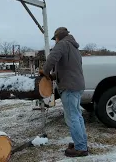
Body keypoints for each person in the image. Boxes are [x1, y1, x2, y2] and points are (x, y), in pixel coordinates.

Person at [39, 27, 88, 157]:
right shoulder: (74, 48)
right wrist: (54, 75)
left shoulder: (62, 44)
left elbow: (51, 59)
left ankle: (81, 148)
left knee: (72, 117)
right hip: (77, 86)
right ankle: (81, 142)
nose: (55, 42)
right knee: (77, 116)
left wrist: (45, 72)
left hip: (69, 88)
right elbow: (70, 69)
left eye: (55, 39)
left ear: (58, 37)